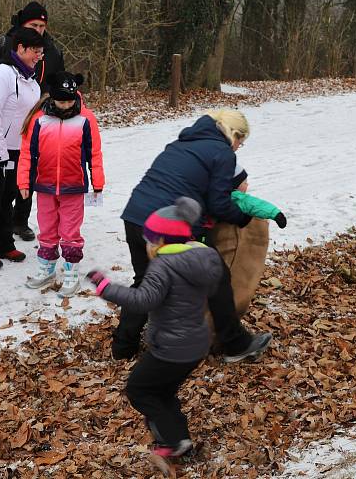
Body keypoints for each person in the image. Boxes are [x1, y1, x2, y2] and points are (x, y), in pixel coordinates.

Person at [114, 109, 272, 363]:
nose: (239, 147)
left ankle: (123, 347)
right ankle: (235, 344)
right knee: (217, 276)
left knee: (145, 281)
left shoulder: (182, 143)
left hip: (135, 216)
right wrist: (243, 218)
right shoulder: (222, 153)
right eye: (241, 141)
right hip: (168, 226)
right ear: (233, 134)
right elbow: (218, 202)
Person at [86, 197, 219, 471]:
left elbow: (143, 301)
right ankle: (180, 438)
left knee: (139, 389)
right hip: (195, 344)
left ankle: (170, 440)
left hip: (171, 347)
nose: (146, 245)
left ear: (161, 242)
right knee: (163, 390)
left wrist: (106, 288)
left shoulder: (163, 266)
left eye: (149, 240)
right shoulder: (201, 258)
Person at [0, 1, 66, 242]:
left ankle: (20, 220)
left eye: (42, 25)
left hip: (39, 117)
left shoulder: (52, 50)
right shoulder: (2, 45)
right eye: (33, 25)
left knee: (28, 174)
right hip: (5, 122)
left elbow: (59, 80)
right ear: (22, 24)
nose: (39, 29)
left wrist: (53, 102)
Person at [18, 71, 104, 297]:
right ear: (52, 98)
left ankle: (70, 270)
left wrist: (98, 182)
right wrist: (24, 181)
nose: (65, 105)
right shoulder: (39, 119)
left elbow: (94, 153)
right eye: (61, 101)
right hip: (44, 186)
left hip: (73, 186)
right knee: (46, 228)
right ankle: (46, 267)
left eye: (69, 100)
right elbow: (27, 153)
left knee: (70, 231)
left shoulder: (86, 119)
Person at [0, 27, 46, 270]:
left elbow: (31, 119)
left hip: (17, 148)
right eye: (35, 51)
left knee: (8, 196)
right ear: (20, 48)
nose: (38, 56)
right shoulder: (0, 74)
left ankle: (4, 243)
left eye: (41, 52)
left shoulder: (32, 81)